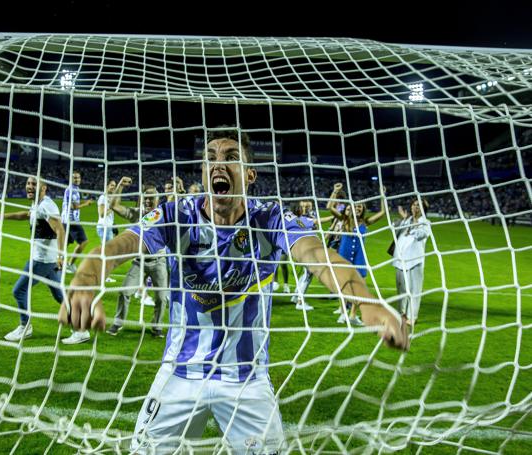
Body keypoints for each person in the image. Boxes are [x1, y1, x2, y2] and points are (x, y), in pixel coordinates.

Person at [59, 128, 408, 453]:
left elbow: (317, 255)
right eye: (210, 157)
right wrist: (85, 281)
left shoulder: (269, 219)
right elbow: (121, 245)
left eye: (230, 156)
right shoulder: (176, 215)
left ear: (250, 174)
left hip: (246, 381)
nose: (218, 163)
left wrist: (365, 301)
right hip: (180, 374)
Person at [0, 176, 90, 344]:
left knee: (19, 291)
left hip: (43, 260)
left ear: (43, 188)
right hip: (47, 261)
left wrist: (60, 255)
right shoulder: (38, 204)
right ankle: (81, 330)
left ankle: (25, 326)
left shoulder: (46, 205)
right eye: (28, 183)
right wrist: (3, 216)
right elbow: (25, 214)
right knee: (60, 296)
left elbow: (60, 230)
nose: (29, 186)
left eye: (34, 184)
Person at [105, 177, 170, 338]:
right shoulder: (136, 214)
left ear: (157, 199)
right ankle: (118, 323)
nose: (148, 200)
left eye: (152, 197)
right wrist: (120, 186)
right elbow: (113, 206)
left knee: (162, 299)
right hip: (139, 262)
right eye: (145, 197)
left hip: (159, 262)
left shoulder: (165, 214)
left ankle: (157, 327)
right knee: (124, 292)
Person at [327, 183, 387, 325]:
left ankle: (353, 315)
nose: (358, 208)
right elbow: (329, 207)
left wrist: (382, 196)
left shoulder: (365, 222)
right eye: (356, 206)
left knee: (360, 287)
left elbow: (383, 213)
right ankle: (342, 313)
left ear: (363, 209)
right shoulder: (345, 219)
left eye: (360, 206)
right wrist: (335, 191)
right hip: (344, 255)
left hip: (359, 257)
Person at [392, 198, 431, 326]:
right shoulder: (406, 220)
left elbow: (421, 235)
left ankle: (412, 317)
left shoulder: (425, 222)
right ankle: (401, 313)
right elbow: (394, 229)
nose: (415, 207)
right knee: (401, 289)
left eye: (419, 206)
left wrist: (411, 225)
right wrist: (403, 220)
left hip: (415, 261)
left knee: (415, 290)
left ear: (424, 209)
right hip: (400, 260)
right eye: (414, 205)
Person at [61, 171, 93, 274]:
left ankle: (58, 264)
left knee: (65, 244)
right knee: (84, 242)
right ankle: (70, 264)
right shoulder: (72, 190)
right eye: (74, 178)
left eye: (78, 178)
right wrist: (86, 204)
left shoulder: (74, 189)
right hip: (71, 221)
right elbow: (74, 207)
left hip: (66, 220)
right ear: (71, 179)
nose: (77, 179)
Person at [96, 179, 117, 282]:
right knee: (107, 253)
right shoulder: (103, 198)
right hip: (103, 227)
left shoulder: (109, 198)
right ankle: (104, 276)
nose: (113, 187)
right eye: (112, 185)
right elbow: (102, 214)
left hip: (108, 227)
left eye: (115, 185)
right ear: (107, 186)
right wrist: (112, 208)